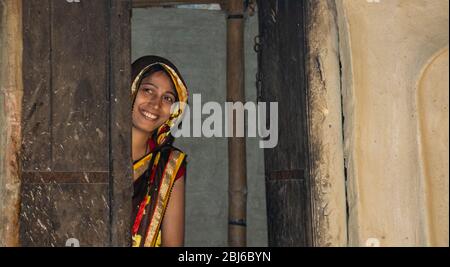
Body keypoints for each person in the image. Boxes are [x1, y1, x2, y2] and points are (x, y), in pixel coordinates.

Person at [131, 55, 188, 247]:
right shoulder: (91, 156)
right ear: (129, 89)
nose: (156, 104)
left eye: (167, 98)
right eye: (148, 90)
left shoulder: (170, 166)